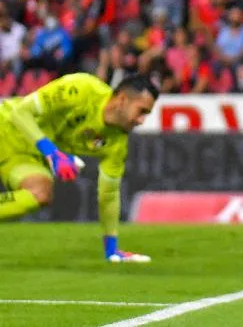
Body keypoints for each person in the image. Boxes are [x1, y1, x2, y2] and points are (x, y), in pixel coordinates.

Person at [0, 73, 158, 263]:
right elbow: (20, 113)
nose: (142, 121)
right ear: (122, 100)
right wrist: (51, 152)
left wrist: (111, 248)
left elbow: (108, 196)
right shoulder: (81, 89)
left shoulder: (116, 144)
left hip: (24, 157)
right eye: (141, 111)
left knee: (41, 193)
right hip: (6, 126)